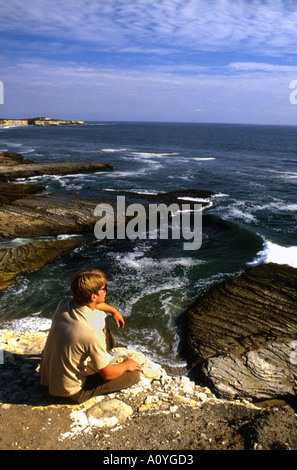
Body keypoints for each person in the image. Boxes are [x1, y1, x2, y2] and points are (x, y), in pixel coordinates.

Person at [39, 268, 141, 404]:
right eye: (105, 288)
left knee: (99, 316)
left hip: (47, 379)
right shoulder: (91, 332)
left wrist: (113, 311)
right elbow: (108, 374)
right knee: (134, 375)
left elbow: (95, 306)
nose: (106, 291)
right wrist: (125, 365)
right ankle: (104, 360)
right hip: (70, 393)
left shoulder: (64, 304)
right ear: (93, 296)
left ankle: (101, 358)